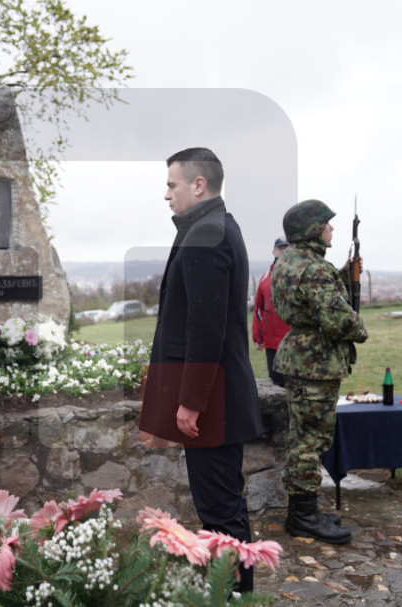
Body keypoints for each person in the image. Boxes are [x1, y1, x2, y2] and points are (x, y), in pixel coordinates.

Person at [140, 147, 263, 592]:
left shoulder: (206, 234)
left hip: (212, 402)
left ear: (198, 184)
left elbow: (206, 328)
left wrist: (190, 401)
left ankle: (235, 595)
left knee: (220, 511)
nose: (166, 194)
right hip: (220, 395)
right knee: (222, 505)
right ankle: (231, 591)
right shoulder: (214, 225)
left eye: (171, 185)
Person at [271, 199, 368, 545]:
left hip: (301, 358)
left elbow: (310, 299)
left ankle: (302, 512)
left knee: (303, 437)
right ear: (313, 229)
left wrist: (343, 273)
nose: (331, 228)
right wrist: (360, 327)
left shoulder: (288, 261)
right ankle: (303, 517)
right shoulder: (314, 268)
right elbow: (336, 318)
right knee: (310, 441)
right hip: (316, 363)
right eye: (326, 223)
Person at [252, 237, 291, 387]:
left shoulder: (298, 275)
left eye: (287, 248)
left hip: (293, 342)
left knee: (293, 384)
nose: (283, 251)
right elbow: (258, 309)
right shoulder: (265, 278)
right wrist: (257, 336)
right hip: (272, 343)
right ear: (274, 252)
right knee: (276, 382)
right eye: (280, 248)